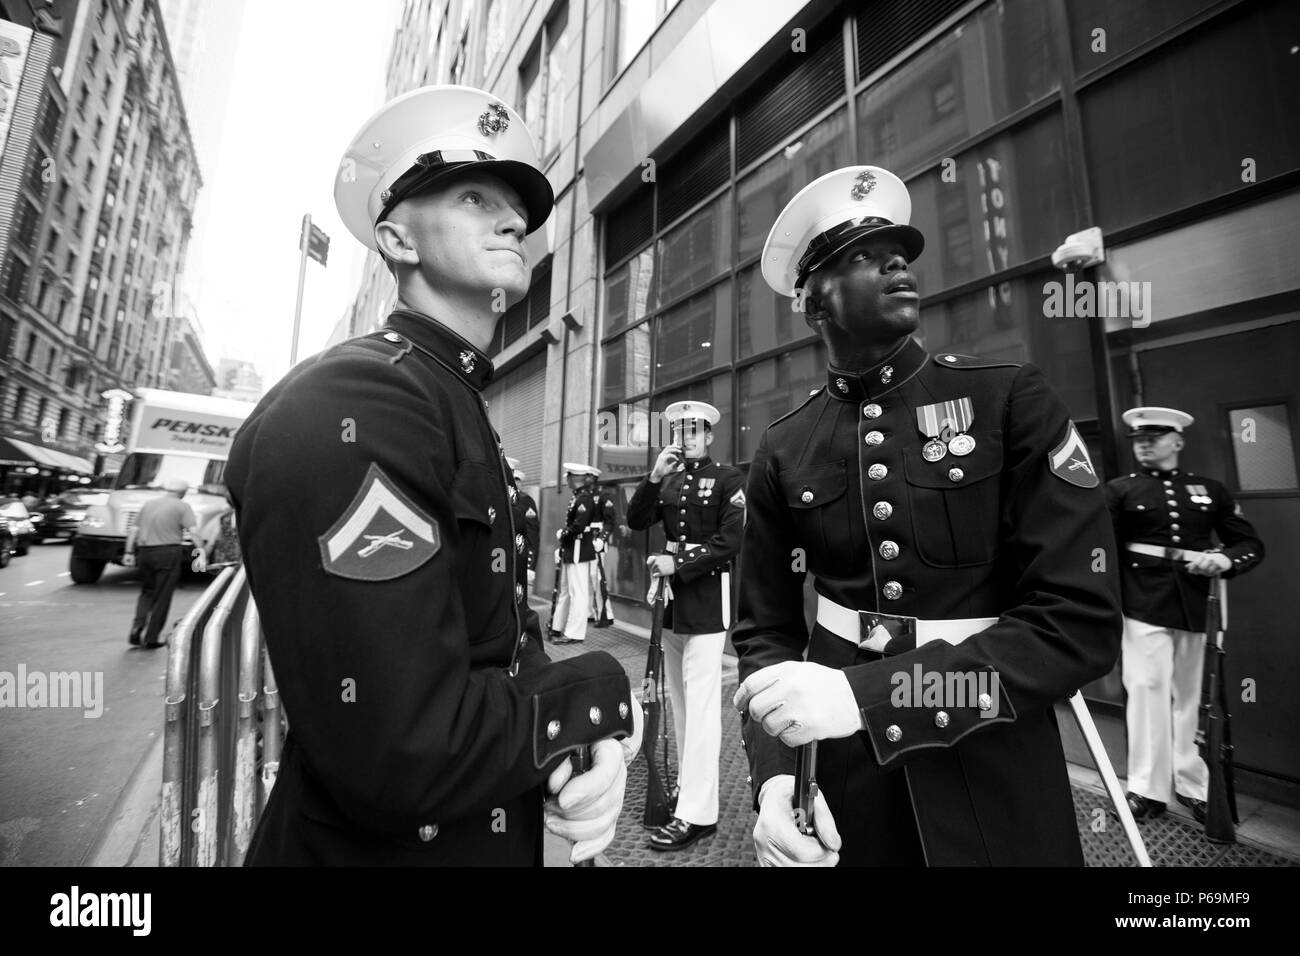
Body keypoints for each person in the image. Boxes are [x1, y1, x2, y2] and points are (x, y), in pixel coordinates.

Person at [226, 86, 640, 866]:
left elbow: (503, 644)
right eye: (475, 196)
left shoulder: (449, 398)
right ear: (398, 240)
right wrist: (594, 698)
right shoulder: (358, 400)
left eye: (516, 207)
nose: (514, 220)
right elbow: (402, 745)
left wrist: (569, 750)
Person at [731, 165, 1123, 866]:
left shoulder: (1009, 400)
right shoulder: (784, 447)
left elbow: (1078, 624)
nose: (896, 263)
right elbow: (765, 632)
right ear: (812, 301)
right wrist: (775, 781)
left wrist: (870, 698)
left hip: (994, 758)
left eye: (900, 252)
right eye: (861, 256)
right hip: (842, 779)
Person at [1106, 407, 1264, 823]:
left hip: (1197, 606)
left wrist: (1225, 562)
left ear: (1177, 441)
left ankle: (1193, 784)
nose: (1144, 443)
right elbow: (1102, 552)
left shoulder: (1208, 490)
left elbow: (1248, 544)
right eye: (1139, 438)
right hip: (1143, 604)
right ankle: (1145, 788)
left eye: (1154, 436)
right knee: (1146, 690)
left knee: (1191, 699)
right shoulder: (1120, 491)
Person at [626, 401, 745, 850]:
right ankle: (689, 796)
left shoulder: (729, 479)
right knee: (680, 705)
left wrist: (676, 561)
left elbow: (731, 540)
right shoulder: (671, 478)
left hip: (706, 600)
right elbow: (636, 520)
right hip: (672, 605)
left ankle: (697, 812)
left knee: (700, 709)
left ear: (710, 436)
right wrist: (655, 476)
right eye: (680, 429)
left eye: (695, 430)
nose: (687, 436)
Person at [123, 477, 202, 648]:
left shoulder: (149, 504)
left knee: (147, 592)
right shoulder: (183, 506)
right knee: (163, 596)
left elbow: (134, 530)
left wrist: (129, 552)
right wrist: (201, 551)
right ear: (183, 492)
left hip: (144, 553)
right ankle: (151, 637)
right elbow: (194, 532)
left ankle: (138, 625)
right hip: (168, 553)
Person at [550, 463, 613, 644]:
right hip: (572, 548)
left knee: (579, 592)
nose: (567, 480)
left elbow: (579, 526)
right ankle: (557, 626)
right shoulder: (579, 496)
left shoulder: (584, 498)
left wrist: (563, 534)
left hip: (579, 549)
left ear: (574, 478)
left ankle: (574, 633)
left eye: (568, 477)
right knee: (567, 591)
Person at [506, 456, 539, 586]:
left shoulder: (526, 501)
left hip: (517, 554)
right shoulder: (495, 495)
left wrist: (530, 564)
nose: (513, 482)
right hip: (499, 554)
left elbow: (532, 533)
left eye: (516, 479)